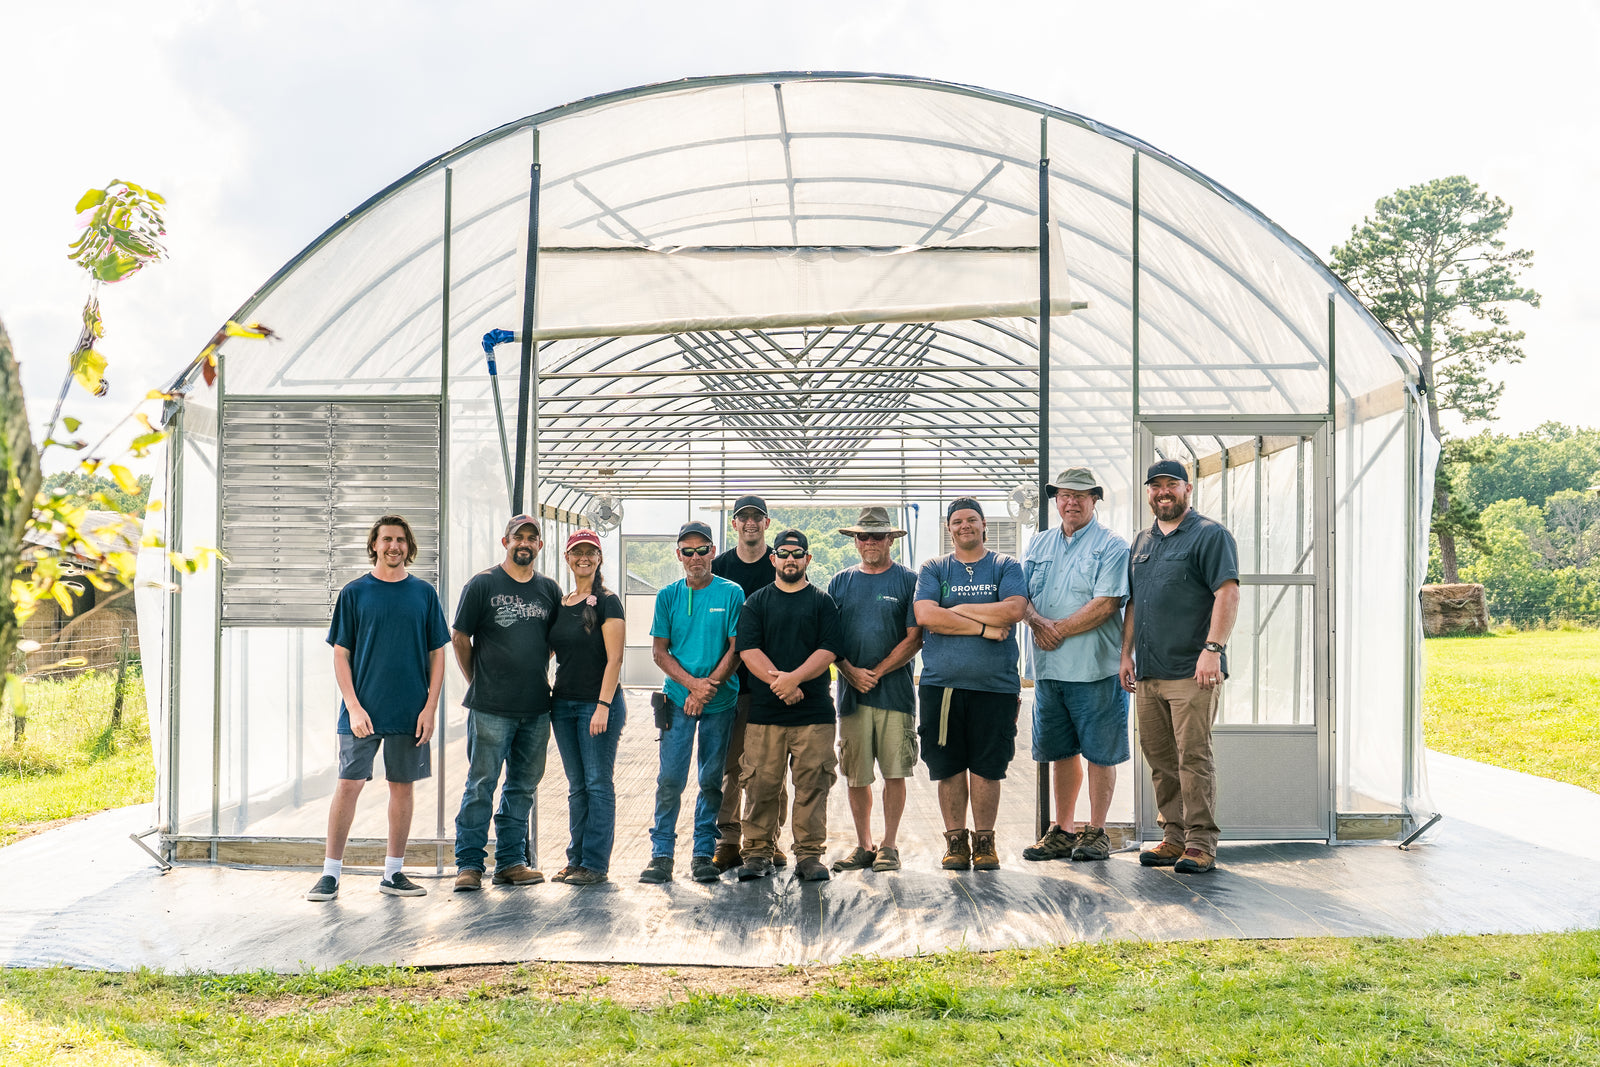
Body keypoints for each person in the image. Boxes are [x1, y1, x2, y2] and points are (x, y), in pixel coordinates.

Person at [307, 514, 449, 902]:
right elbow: (341, 655)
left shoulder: (423, 594)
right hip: (362, 712)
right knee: (348, 786)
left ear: (409, 546)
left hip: (410, 712)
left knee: (401, 789)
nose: (394, 546)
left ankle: (393, 873)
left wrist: (430, 708)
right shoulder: (355, 593)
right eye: (386, 539)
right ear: (374, 545)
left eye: (401, 540)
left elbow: (438, 655)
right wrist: (353, 706)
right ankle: (330, 874)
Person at [1120, 459, 1240, 875]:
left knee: (1193, 757)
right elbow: (1135, 602)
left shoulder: (1209, 535)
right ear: (1149, 493)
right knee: (1160, 759)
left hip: (1192, 671)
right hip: (1149, 672)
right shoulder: (1141, 542)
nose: (1163, 492)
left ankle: (1201, 842)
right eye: (1155, 486)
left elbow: (1227, 594)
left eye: (1171, 484)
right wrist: (1126, 655)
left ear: (1187, 489)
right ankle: (1172, 837)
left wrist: (1213, 649)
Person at [1020, 468, 1131, 865]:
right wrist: (1036, 622)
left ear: (1095, 500)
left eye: (1081, 496)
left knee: (1100, 754)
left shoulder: (1112, 546)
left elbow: (1107, 603)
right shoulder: (1039, 543)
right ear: (1056, 500)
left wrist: (1057, 629)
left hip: (1094, 670)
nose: (1071, 502)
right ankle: (1063, 831)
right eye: (1065, 495)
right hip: (1049, 671)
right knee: (1060, 751)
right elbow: (1019, 595)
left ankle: (1097, 832)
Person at [449, 514, 563, 892]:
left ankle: (512, 862)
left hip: (535, 708)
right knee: (481, 785)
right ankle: (469, 865)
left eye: (532, 538)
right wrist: (478, 680)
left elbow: (551, 642)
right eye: (519, 537)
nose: (525, 543)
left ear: (540, 546)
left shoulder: (549, 589)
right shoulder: (483, 584)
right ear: (505, 542)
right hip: (489, 707)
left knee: (522, 788)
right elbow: (460, 637)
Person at [913, 497, 1027, 871]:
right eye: (958, 521)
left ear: (983, 526)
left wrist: (957, 610)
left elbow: (1014, 609)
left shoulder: (1004, 565)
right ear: (949, 528)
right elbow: (927, 615)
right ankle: (956, 843)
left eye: (972, 520)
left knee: (987, 766)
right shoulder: (933, 568)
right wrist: (981, 626)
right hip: (942, 686)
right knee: (947, 765)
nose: (965, 526)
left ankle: (985, 842)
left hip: (995, 687)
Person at [734, 529, 844, 882]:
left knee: (813, 786)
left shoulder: (822, 602)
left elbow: (828, 650)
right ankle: (757, 853)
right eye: (784, 553)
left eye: (798, 554)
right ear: (773, 560)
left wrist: (794, 679)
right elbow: (748, 650)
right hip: (765, 715)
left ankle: (809, 855)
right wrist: (781, 684)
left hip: (814, 714)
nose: (791, 559)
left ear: (808, 559)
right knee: (761, 786)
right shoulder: (757, 602)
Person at [643, 520, 745, 884]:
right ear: (679, 556)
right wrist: (690, 687)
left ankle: (703, 851)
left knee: (711, 779)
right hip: (677, 700)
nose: (696, 557)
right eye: (688, 551)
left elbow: (736, 649)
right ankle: (662, 854)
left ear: (713, 552)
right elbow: (659, 651)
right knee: (670, 778)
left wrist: (708, 688)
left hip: (720, 701)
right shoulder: (667, 596)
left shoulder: (732, 593)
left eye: (703, 550)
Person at [826, 506, 922, 874]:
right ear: (854, 540)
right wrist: (848, 671)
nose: (869, 542)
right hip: (851, 697)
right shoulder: (840, 582)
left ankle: (889, 845)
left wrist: (877, 672)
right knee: (857, 774)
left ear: (890, 540)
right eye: (863, 536)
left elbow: (915, 638)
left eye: (877, 536)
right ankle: (864, 844)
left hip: (894, 695)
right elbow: (829, 637)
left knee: (895, 772)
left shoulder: (908, 581)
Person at [710, 493, 785, 872]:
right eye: (744, 517)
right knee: (732, 767)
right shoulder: (719, 566)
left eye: (757, 517)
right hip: (731, 684)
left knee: (771, 766)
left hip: (771, 683)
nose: (750, 523)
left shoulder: (780, 563)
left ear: (766, 523)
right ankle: (728, 840)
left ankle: (771, 840)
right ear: (735, 524)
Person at [547, 529, 626, 886]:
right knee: (577, 785)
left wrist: (603, 705)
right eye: (577, 552)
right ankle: (575, 858)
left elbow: (615, 660)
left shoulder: (608, 601)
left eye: (590, 552)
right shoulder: (560, 604)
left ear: (599, 558)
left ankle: (595, 863)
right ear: (567, 558)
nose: (583, 557)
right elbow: (550, 651)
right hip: (562, 705)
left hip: (597, 705)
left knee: (597, 783)